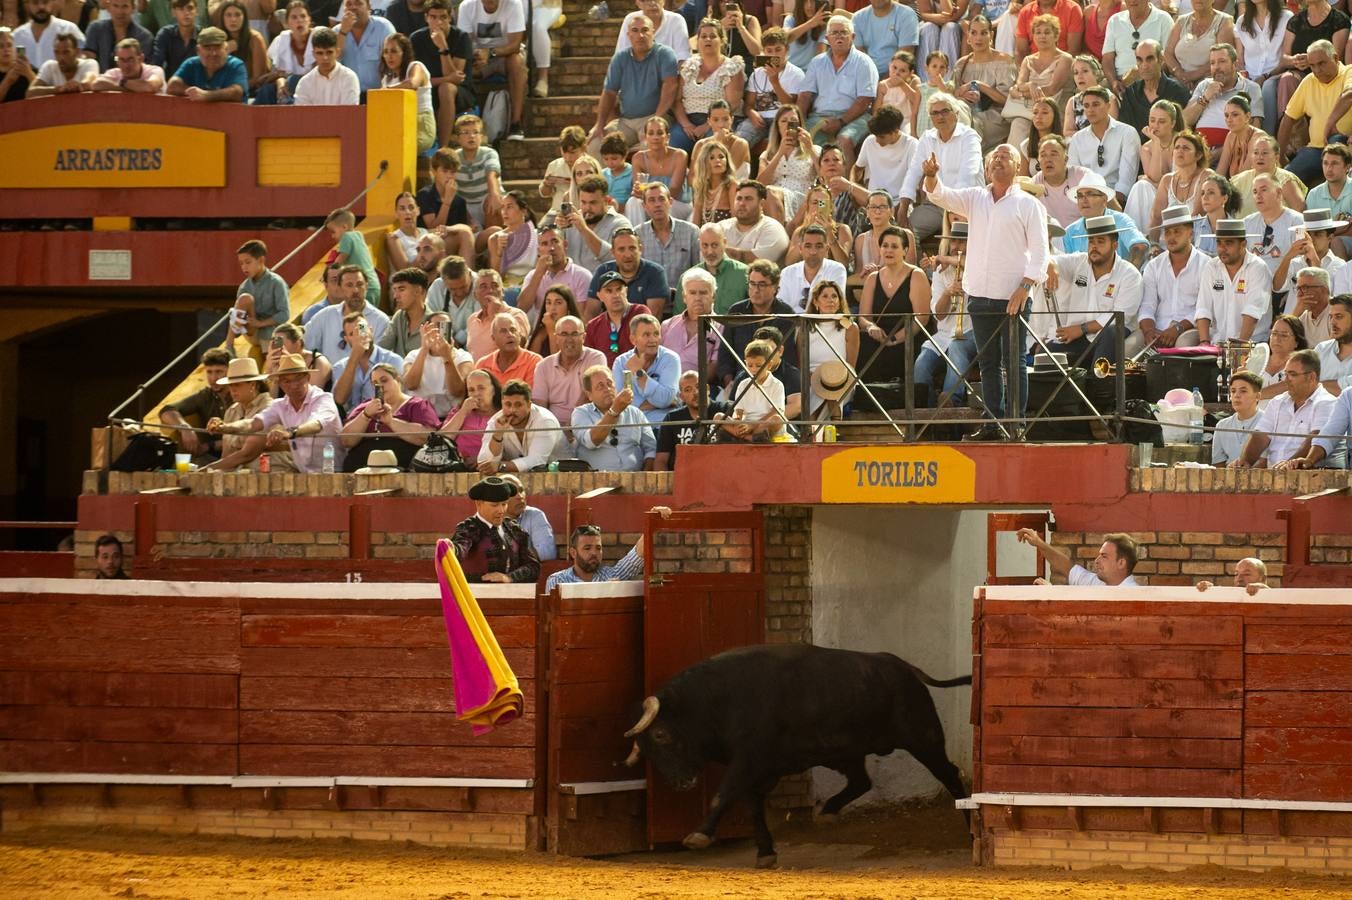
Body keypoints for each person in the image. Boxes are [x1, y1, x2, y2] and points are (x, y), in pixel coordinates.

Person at [924, 144, 1049, 441]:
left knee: (1014, 360)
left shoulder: (1029, 205)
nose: (997, 160)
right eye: (994, 157)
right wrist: (931, 177)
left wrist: (1025, 286)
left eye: (1005, 156)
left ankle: (1015, 423)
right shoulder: (975, 197)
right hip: (979, 295)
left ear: (1018, 167)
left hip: (1014, 297)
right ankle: (994, 422)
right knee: (989, 362)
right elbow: (940, 195)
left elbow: (1041, 252)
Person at [208, 353, 343, 473]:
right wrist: (225, 427)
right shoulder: (279, 405)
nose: (293, 385)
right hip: (305, 474)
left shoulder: (323, 399)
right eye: (287, 381)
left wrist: (290, 432)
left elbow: (316, 424)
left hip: (334, 473)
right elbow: (254, 423)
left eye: (298, 379)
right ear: (280, 384)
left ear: (307, 378)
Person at [1039, 215, 1143, 367]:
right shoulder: (1079, 261)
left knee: (1111, 332)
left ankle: (1099, 388)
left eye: (1100, 241)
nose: (1094, 247)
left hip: (1108, 336)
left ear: (1114, 245)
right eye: (1091, 241)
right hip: (1079, 337)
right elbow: (1052, 259)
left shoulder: (1130, 274)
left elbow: (1120, 317)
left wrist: (1081, 328)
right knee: (1045, 356)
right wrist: (1050, 265)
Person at [590, 13, 680, 155]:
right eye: (635, 31)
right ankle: (606, 178)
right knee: (595, 144)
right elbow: (609, 93)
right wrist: (599, 125)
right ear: (628, 35)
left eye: (645, 30)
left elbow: (670, 87)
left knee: (649, 145)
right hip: (626, 121)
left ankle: (643, 178)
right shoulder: (620, 58)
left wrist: (655, 121)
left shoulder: (665, 54)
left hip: (657, 116)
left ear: (653, 32)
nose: (640, 35)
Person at [797, 14, 879, 168]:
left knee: (844, 140)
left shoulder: (864, 62)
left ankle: (846, 189)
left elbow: (864, 101)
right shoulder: (817, 62)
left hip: (855, 116)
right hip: (819, 117)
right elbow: (805, 95)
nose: (839, 36)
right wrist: (798, 122)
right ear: (827, 38)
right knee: (802, 139)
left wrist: (841, 121)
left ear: (852, 36)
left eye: (844, 32)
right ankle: (817, 187)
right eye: (834, 33)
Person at [1233, 349, 1338, 468]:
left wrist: (1288, 465)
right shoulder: (1277, 402)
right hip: (1273, 474)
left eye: (1292, 374)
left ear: (1311, 377)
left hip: (1307, 476)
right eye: (1285, 374)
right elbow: (1259, 436)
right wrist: (1245, 462)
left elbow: (1315, 441)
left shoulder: (1327, 403)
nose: (1286, 380)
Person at [857, 225, 931, 385]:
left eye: (894, 246)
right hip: (879, 337)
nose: (889, 250)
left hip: (908, 337)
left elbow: (922, 319)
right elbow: (863, 317)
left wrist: (895, 339)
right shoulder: (872, 278)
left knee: (899, 352)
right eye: (885, 246)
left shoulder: (916, 275)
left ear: (905, 250)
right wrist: (871, 327)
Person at [339, 361, 440, 470]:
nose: (380, 387)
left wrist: (391, 422)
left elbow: (427, 438)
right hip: (362, 467)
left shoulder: (417, 405)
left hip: (404, 467)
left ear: (397, 380)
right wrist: (365, 415)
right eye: (375, 384)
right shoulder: (365, 407)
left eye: (384, 380)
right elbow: (346, 441)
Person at [1278, 39, 1352, 185]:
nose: (1317, 70)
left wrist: (1330, 123)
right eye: (1312, 66)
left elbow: (1349, 95)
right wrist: (1280, 154)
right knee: (1285, 181)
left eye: (1322, 63)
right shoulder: (1309, 81)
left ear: (1336, 58)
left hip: (1343, 146)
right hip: (1316, 150)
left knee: (1335, 139)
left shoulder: (1349, 72)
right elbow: (1288, 118)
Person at [544, 510, 675, 591]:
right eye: (587, 548)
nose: (594, 553)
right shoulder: (557, 581)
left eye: (598, 548)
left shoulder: (611, 575)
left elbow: (636, 556)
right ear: (573, 553)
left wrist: (653, 519)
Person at [717, 259, 796, 389]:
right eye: (752, 284)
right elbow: (725, 355)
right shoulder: (737, 311)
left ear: (775, 288)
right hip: (738, 383)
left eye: (762, 284)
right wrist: (729, 382)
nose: (756, 290)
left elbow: (787, 359)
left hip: (774, 385)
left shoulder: (786, 314)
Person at [670, 18, 745, 152]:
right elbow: (677, 100)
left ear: (722, 40)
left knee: (711, 148)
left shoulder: (732, 67)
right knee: (672, 144)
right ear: (698, 41)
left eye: (713, 36)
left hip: (718, 121)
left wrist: (707, 126)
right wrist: (687, 125)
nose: (707, 40)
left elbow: (732, 104)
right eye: (703, 36)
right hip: (689, 120)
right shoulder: (689, 66)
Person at [449, 475, 540, 584]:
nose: (501, 510)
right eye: (494, 505)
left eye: (504, 504)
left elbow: (533, 567)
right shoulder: (469, 529)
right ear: (479, 504)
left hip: (512, 597)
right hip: (476, 597)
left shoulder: (513, 529)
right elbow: (458, 550)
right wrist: (451, 549)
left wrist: (509, 578)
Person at [456, 0, 526, 140]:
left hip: (506, 56)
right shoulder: (466, 6)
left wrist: (491, 52)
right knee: (458, 68)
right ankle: (463, 121)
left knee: (517, 62)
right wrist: (476, 55)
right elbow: (464, 42)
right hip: (479, 58)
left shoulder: (514, 4)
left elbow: (515, 45)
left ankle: (516, 123)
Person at [1197, 219, 1274, 345]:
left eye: (1228, 243)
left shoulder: (1258, 268)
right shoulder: (1211, 266)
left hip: (1252, 344)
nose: (1222, 248)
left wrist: (1238, 347)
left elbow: (1252, 312)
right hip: (1218, 343)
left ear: (1243, 244)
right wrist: (1204, 342)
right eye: (1219, 243)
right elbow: (1203, 308)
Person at [532, 313, 607, 442]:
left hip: (587, 424)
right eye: (564, 334)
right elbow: (540, 406)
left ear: (583, 337)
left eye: (574, 334)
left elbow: (588, 395)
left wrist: (569, 427)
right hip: (553, 429)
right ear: (556, 338)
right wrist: (552, 431)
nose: (569, 339)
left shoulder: (595, 358)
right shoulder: (543, 366)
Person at [1005, 14, 1073, 154]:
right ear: (1033, 36)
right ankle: (1015, 167)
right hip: (1029, 111)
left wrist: (1023, 92)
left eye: (1047, 32)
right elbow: (1019, 85)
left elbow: (1052, 90)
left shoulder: (1065, 58)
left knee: (1044, 122)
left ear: (1056, 36)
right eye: (1038, 32)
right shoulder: (1028, 60)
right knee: (1018, 123)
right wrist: (1031, 85)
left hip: (1055, 109)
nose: (1042, 36)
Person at [1140, 204, 1204, 351]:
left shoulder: (1206, 265)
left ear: (1190, 233)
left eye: (1177, 232)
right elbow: (1147, 306)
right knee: (1127, 348)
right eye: (1167, 232)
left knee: (1182, 345)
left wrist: (1178, 327)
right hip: (1157, 329)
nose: (1171, 237)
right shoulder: (1153, 265)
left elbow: (1204, 308)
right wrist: (1148, 331)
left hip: (1190, 329)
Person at [1066, 87, 1141, 209]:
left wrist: (1111, 205)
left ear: (1108, 105)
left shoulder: (1127, 133)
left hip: (1117, 201)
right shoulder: (1077, 138)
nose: (1090, 110)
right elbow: (1074, 176)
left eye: (1095, 104)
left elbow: (1126, 179)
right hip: (1085, 200)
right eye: (1086, 106)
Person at [571, 364, 657, 470]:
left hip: (635, 480)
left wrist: (645, 476)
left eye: (609, 383)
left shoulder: (635, 413)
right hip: (596, 482)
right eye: (600, 386)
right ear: (589, 395)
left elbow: (651, 449)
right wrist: (615, 411)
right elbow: (591, 441)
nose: (607, 389)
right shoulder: (581, 413)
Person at [411, 0, 472, 146]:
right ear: (426, 17)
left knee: (446, 88)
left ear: (450, 17)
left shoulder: (461, 37)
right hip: (427, 89)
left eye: (443, 17)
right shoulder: (416, 38)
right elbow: (414, 78)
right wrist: (444, 79)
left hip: (460, 92)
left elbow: (455, 79)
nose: (438, 22)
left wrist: (443, 48)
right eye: (433, 17)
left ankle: (443, 148)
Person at [1182, 43, 1263, 151]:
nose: (1216, 67)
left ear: (1235, 64)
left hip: (1231, 154)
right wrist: (1206, 97)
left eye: (1222, 61)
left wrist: (1220, 153)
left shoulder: (1250, 88)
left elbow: (1254, 131)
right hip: (1199, 151)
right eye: (1212, 63)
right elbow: (1185, 120)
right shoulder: (1204, 85)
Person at [305, 266, 391, 365]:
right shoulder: (325, 316)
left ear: (366, 286)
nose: (355, 290)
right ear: (340, 288)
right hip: (328, 377)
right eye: (349, 285)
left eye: (360, 284)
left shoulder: (380, 320)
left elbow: (379, 360)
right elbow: (307, 347)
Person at [737, 26, 804, 149]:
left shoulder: (796, 73)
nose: (774, 54)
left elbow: (791, 106)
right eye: (769, 50)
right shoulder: (757, 73)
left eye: (778, 49)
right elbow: (748, 104)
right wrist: (751, 113)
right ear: (764, 51)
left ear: (786, 49)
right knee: (739, 141)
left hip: (782, 120)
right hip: (760, 120)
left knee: (773, 145)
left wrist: (775, 82)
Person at [1062, 171, 1149, 266]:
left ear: (1104, 199)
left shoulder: (1120, 220)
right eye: (1080, 196)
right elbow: (1066, 266)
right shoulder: (1069, 232)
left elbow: (1140, 247)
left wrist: (1128, 275)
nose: (1083, 200)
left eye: (1090, 194)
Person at [159, 348, 231, 463]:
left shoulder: (240, 394)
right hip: (212, 459)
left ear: (229, 371)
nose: (213, 378)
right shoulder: (205, 395)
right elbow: (167, 410)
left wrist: (209, 446)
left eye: (219, 372)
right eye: (209, 372)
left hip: (240, 456)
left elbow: (245, 438)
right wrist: (185, 428)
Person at [477, 379, 562, 474]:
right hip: (520, 478)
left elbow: (537, 461)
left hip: (562, 476)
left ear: (529, 405)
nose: (512, 410)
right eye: (507, 404)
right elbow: (484, 461)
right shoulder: (496, 421)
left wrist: (500, 466)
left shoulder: (545, 420)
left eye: (518, 405)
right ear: (502, 403)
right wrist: (498, 434)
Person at [716, 338, 792, 442]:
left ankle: (745, 438)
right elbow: (738, 411)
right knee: (718, 417)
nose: (754, 369)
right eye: (750, 365)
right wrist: (738, 422)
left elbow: (776, 412)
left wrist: (753, 425)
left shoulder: (777, 385)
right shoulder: (743, 384)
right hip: (747, 425)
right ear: (745, 363)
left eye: (759, 365)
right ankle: (748, 438)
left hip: (763, 426)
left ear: (769, 365)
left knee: (777, 420)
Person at [612, 313, 682, 424]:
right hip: (631, 425)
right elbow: (622, 403)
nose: (653, 339)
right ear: (633, 339)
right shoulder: (621, 362)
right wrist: (655, 402)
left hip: (661, 425)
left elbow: (665, 399)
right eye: (646, 335)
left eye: (656, 334)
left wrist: (639, 373)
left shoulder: (671, 359)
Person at [561, 174, 633, 280]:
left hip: (605, 285)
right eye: (583, 202)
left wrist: (584, 230)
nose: (587, 208)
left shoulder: (620, 223)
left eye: (593, 203)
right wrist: (557, 232)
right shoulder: (571, 220)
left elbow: (618, 259)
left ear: (606, 200)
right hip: (571, 285)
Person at [588, 227, 669, 319]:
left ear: (640, 249)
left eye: (632, 248)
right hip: (609, 329)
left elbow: (652, 318)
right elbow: (590, 314)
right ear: (613, 252)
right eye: (621, 249)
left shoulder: (655, 273)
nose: (628, 255)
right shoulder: (603, 271)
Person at [403, 311, 473, 418]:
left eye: (445, 326)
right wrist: (424, 349)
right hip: (419, 417)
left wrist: (447, 357)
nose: (441, 331)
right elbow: (410, 385)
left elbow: (457, 391)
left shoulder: (463, 357)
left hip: (450, 418)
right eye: (436, 327)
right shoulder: (413, 355)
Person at [331, 312, 405, 412]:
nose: (359, 336)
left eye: (362, 329)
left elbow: (400, 399)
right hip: (352, 421)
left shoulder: (393, 360)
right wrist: (354, 358)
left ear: (371, 330)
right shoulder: (340, 367)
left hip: (384, 417)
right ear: (347, 339)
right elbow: (339, 400)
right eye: (353, 334)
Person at [1016, 528, 1141, 587]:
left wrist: (1052, 595)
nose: (1097, 561)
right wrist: (1039, 543)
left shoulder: (1132, 595)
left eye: (1104, 556)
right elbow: (1068, 568)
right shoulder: (1098, 582)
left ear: (1121, 563)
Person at [1118, 40, 1191, 139]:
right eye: (1139, 60)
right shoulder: (1131, 92)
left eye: (1150, 59)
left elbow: (1183, 131)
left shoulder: (1177, 91)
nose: (1144, 65)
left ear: (1161, 59)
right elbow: (1124, 129)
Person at [637, 182, 701, 293]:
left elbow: (699, 270)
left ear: (670, 202)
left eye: (661, 199)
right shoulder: (637, 234)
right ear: (644, 206)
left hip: (684, 300)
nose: (657, 204)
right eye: (652, 200)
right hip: (650, 300)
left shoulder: (691, 232)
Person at [1100, 0, 1173, 94]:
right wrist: (1114, 82)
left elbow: (1168, 58)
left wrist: (1141, 75)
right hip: (1119, 83)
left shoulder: (1163, 19)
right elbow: (1107, 59)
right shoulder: (1114, 21)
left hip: (1152, 82)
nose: (1132, 1)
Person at [1164, 0, 1236, 92]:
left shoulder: (1224, 21)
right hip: (1178, 80)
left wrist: (1190, 76)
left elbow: (1222, 58)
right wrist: (1180, 74)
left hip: (1209, 83)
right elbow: (1168, 53)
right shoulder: (1181, 20)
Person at [379, 32, 434, 152]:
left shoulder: (416, 66)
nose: (389, 56)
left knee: (398, 149)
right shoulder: (386, 79)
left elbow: (412, 84)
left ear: (404, 53)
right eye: (386, 52)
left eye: (393, 51)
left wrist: (386, 91)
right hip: (398, 126)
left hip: (421, 125)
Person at [1246, 173, 1305, 281]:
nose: (1258, 195)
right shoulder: (1247, 223)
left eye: (1263, 190)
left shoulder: (1298, 221)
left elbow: (1301, 259)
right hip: (1253, 285)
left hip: (1285, 287)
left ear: (1278, 193)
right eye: (1255, 192)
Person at [1275, 213, 1344, 302]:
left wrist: (1315, 260)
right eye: (1308, 235)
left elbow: (1323, 298)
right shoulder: (1294, 263)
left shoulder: (1339, 266)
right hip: (1293, 315)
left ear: (1330, 238)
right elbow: (1277, 287)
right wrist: (1288, 257)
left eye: (1318, 234)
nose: (1311, 240)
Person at [166, 24, 245, 100]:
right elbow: (172, 86)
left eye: (217, 47)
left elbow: (237, 92)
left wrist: (206, 95)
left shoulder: (235, 65)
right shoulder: (191, 64)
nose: (213, 53)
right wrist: (194, 93)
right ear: (198, 51)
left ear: (226, 49)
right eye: (207, 48)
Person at [720, 181, 790, 266]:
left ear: (761, 204)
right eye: (739, 198)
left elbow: (758, 262)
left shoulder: (773, 229)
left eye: (748, 199)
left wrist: (716, 249)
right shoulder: (722, 226)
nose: (742, 203)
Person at [256, 0, 313, 105]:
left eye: (303, 16)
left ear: (309, 20)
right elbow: (276, 73)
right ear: (287, 23)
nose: (299, 20)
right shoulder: (281, 40)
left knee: (294, 80)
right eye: (294, 17)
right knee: (266, 90)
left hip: (313, 88)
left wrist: (286, 79)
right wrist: (280, 82)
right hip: (287, 90)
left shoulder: (317, 37)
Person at [439, 368, 501, 462]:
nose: (476, 393)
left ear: (493, 390)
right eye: (471, 390)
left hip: (490, 465)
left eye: (481, 388)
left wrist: (481, 458)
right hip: (457, 464)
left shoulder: (503, 414)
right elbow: (442, 441)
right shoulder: (459, 411)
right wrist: (463, 411)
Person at [851, 0, 919, 79]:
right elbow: (859, 56)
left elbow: (905, 57)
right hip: (867, 76)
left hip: (897, 77)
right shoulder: (857, 18)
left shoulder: (907, 14)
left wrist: (884, 83)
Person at [654, 370, 708, 469]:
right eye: (688, 390)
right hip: (683, 477)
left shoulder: (724, 410)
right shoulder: (672, 419)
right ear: (682, 397)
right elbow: (661, 460)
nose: (695, 392)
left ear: (707, 389)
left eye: (698, 387)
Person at [292, 24, 357, 103]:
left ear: (337, 52)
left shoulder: (349, 77)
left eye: (329, 52)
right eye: (320, 53)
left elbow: (349, 112)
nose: (325, 57)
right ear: (313, 54)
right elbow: (302, 114)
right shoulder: (305, 83)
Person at [475, 311, 542, 388]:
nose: (510, 335)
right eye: (503, 331)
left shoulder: (534, 361)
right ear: (493, 338)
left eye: (513, 330)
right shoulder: (482, 365)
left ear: (520, 335)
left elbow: (528, 397)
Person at [80, 0, 151, 72]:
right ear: (108, 7)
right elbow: (89, 59)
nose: (119, 11)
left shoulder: (144, 36)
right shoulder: (95, 28)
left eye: (125, 6)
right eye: (115, 6)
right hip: (99, 79)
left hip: (131, 80)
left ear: (133, 8)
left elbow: (143, 67)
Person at [1308, 144, 1352, 259]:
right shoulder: (1314, 194)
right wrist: (1336, 229)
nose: (1329, 168)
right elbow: (1311, 230)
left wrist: (1329, 232)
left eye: (1335, 163)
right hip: (1322, 242)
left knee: (1336, 242)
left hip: (1343, 242)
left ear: (1347, 167)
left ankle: (1343, 277)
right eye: (1325, 163)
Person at [486, 190, 539, 285]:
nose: (504, 212)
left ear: (524, 211)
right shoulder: (495, 239)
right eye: (502, 207)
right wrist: (500, 252)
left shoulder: (538, 236)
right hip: (506, 288)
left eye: (509, 207)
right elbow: (496, 278)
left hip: (532, 284)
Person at [1212, 370, 1264, 466]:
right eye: (1233, 391)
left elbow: (1268, 460)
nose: (1236, 396)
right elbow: (1218, 464)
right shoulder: (1222, 425)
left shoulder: (1267, 423)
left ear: (1257, 396)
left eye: (1243, 391)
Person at [379, 267, 433, 358]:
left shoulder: (434, 321)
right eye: (394, 290)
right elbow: (382, 348)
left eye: (401, 289)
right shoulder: (399, 316)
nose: (396, 296)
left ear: (418, 291)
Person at [12, 0, 83, 69]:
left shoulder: (69, 29)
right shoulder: (17, 35)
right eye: (35, 3)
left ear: (52, 2)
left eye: (45, 2)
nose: (41, 7)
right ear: (28, 5)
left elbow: (83, 60)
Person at [26, 30, 95, 94]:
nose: (61, 57)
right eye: (57, 52)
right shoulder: (49, 66)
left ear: (77, 52)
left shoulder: (89, 64)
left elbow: (87, 83)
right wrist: (59, 89)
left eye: (66, 52)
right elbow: (30, 92)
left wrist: (77, 86)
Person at [92, 35, 166, 92]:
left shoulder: (155, 70)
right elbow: (96, 84)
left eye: (130, 59)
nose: (126, 65)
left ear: (141, 59)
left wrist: (121, 83)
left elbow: (150, 86)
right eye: (121, 60)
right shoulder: (114, 73)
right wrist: (124, 88)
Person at [149, 0, 199, 80]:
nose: (186, 13)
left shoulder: (203, 35)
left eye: (190, 8)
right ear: (173, 12)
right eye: (181, 9)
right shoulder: (165, 34)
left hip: (197, 86)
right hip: (170, 86)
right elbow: (156, 64)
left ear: (197, 11)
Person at [1313, 293, 1352, 394]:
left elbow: (1344, 390)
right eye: (1331, 317)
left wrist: (1310, 385)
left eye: (1339, 317)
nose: (1332, 322)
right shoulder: (1321, 349)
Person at [0, 25, 36, 101]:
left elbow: (44, 95)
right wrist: (7, 81)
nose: (6, 49)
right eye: (1, 46)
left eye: (9, 45)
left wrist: (28, 74)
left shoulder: (27, 67)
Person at [1197, 556, 1270, 594]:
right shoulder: (1230, 597)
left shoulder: (1277, 598)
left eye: (1246, 574)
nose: (1239, 579)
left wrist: (1266, 592)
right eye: (1236, 574)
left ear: (1262, 579)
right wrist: (1208, 591)